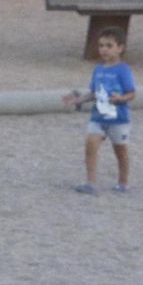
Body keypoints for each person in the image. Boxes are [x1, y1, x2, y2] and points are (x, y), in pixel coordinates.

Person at [60, 27, 136, 195]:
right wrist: (77, 100)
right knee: (91, 145)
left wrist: (120, 99)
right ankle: (90, 182)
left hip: (119, 119)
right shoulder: (98, 70)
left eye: (109, 46)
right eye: (101, 46)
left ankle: (123, 182)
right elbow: (94, 92)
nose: (104, 50)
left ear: (120, 48)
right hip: (98, 116)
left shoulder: (123, 70)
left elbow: (132, 93)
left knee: (120, 150)